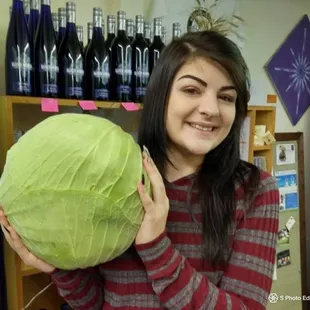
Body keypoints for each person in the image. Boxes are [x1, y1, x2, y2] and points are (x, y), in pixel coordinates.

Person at [0, 30, 279, 310]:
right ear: (161, 95)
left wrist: (156, 247)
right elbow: (96, 303)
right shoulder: (116, 175)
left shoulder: (255, 191)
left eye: (226, 97)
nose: (210, 109)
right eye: (192, 90)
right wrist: (60, 266)